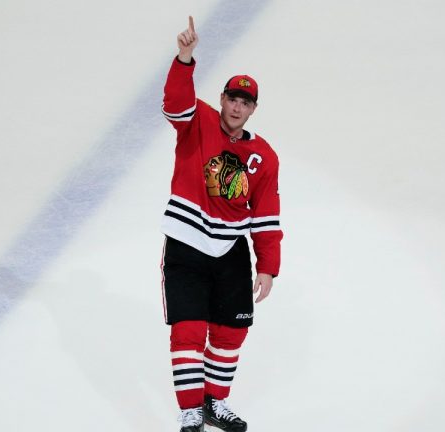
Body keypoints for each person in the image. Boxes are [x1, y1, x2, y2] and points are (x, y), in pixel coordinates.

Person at [159, 16, 283, 432]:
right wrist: (185, 58)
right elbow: (175, 103)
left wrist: (267, 266)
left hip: (231, 251)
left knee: (231, 333)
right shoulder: (198, 121)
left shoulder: (264, 157)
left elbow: (266, 215)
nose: (236, 106)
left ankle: (215, 402)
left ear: (252, 109)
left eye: (245, 102)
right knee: (189, 329)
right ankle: (191, 408)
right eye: (232, 98)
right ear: (223, 98)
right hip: (187, 244)